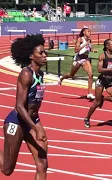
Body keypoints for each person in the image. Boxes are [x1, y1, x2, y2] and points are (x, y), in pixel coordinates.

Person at [0, 34, 48, 179]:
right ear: (31, 56)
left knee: (42, 164)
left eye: (45, 52)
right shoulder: (26, 74)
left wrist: (36, 126)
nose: (45, 55)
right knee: (7, 169)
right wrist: (35, 129)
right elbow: (20, 106)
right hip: (17, 121)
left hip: (33, 120)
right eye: (41, 53)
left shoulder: (41, 74)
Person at [83, 39, 112, 128]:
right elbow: (99, 70)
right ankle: (87, 118)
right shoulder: (102, 56)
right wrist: (111, 70)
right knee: (97, 102)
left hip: (109, 82)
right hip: (101, 81)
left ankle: (103, 99)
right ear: (107, 46)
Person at [59, 27, 98, 99]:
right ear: (84, 32)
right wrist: (84, 44)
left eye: (90, 32)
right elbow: (76, 50)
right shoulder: (80, 39)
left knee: (91, 75)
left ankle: (89, 93)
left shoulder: (89, 40)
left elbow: (88, 48)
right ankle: (62, 78)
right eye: (88, 31)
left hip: (85, 59)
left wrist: (92, 50)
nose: (90, 33)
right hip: (78, 59)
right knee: (71, 75)